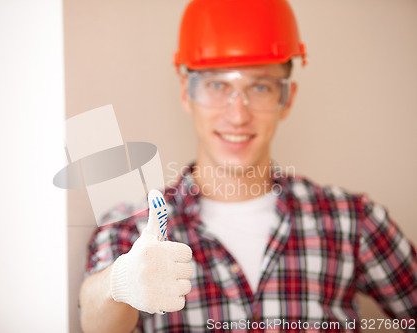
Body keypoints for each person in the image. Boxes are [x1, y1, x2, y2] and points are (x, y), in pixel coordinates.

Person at [78, 0, 417, 332]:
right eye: (217, 85)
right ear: (186, 92)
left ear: (286, 98)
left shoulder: (351, 222)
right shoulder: (130, 229)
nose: (238, 115)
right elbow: (95, 324)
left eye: (259, 86)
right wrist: (121, 282)